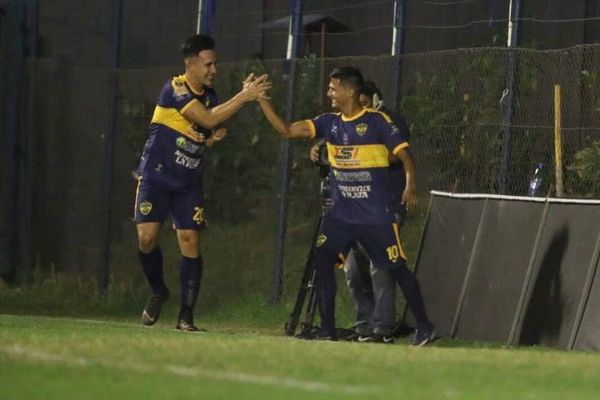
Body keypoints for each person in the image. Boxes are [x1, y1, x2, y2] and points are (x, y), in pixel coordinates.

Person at [259, 66, 436, 345]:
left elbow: (405, 156)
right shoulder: (328, 122)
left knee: (396, 268)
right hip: (341, 216)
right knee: (323, 259)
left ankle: (425, 327)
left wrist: (410, 184)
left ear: (350, 91)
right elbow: (286, 130)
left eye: (333, 87)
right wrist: (261, 100)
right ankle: (328, 331)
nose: (329, 92)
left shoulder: (378, 122)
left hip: (375, 216)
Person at [134, 34, 270, 332]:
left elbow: (207, 129)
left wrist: (211, 139)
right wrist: (243, 97)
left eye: (215, 64)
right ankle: (158, 290)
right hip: (156, 176)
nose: (213, 70)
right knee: (146, 238)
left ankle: (186, 317)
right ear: (191, 65)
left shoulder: (211, 95)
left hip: (188, 182)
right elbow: (207, 119)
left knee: (190, 241)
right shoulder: (175, 89)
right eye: (208, 64)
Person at [309, 80, 414, 344]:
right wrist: (323, 147)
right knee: (352, 269)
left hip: (383, 205)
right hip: (353, 209)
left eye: (364, 104)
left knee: (380, 265)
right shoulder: (347, 122)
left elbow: (392, 155)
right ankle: (364, 325)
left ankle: (383, 327)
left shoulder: (387, 120)